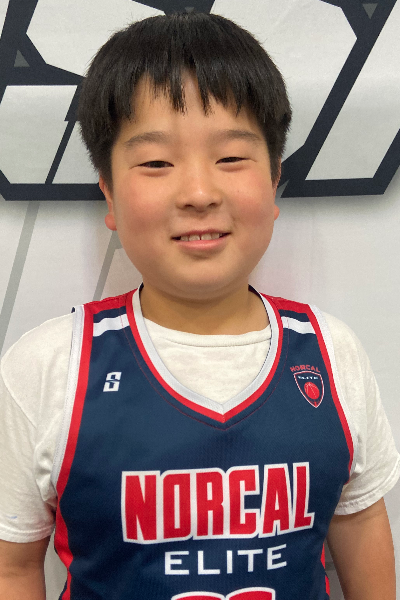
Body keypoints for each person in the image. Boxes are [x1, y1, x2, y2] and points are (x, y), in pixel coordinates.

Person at [0, 10, 398, 600]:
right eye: (156, 163)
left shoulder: (331, 353)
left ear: (274, 178)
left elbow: (360, 521)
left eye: (231, 157)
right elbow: (12, 565)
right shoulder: (48, 367)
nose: (199, 193)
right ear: (108, 191)